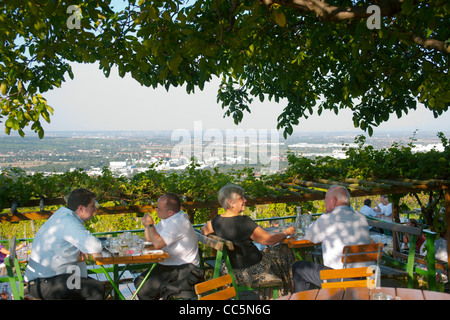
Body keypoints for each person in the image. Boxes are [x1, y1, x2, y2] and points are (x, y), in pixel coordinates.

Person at [201, 183, 296, 298]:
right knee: (283, 251)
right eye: (241, 198)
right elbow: (269, 240)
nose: (245, 200)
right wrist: (286, 232)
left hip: (230, 267)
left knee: (278, 253)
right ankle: (284, 294)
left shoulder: (216, 221)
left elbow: (203, 231)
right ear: (231, 202)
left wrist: (223, 235)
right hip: (252, 268)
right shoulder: (244, 221)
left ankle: (280, 294)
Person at [24, 188, 105, 300]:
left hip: (44, 279)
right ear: (81, 208)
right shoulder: (69, 222)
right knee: (96, 289)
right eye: (92, 206)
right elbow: (96, 246)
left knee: (92, 284)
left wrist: (79, 246)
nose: (95, 209)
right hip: (45, 283)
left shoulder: (62, 215)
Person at [292, 185, 373, 292]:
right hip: (364, 276)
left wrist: (324, 215)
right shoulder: (361, 217)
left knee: (298, 267)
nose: (324, 202)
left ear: (333, 201)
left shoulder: (327, 218)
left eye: (325, 199)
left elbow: (310, 237)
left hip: (337, 277)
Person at [134, 193, 204, 300]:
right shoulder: (168, 219)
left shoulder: (178, 222)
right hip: (170, 264)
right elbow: (150, 238)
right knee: (139, 281)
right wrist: (147, 226)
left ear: (170, 212)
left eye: (159, 208)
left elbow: (157, 244)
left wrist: (150, 225)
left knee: (144, 289)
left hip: (184, 268)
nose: (156, 210)